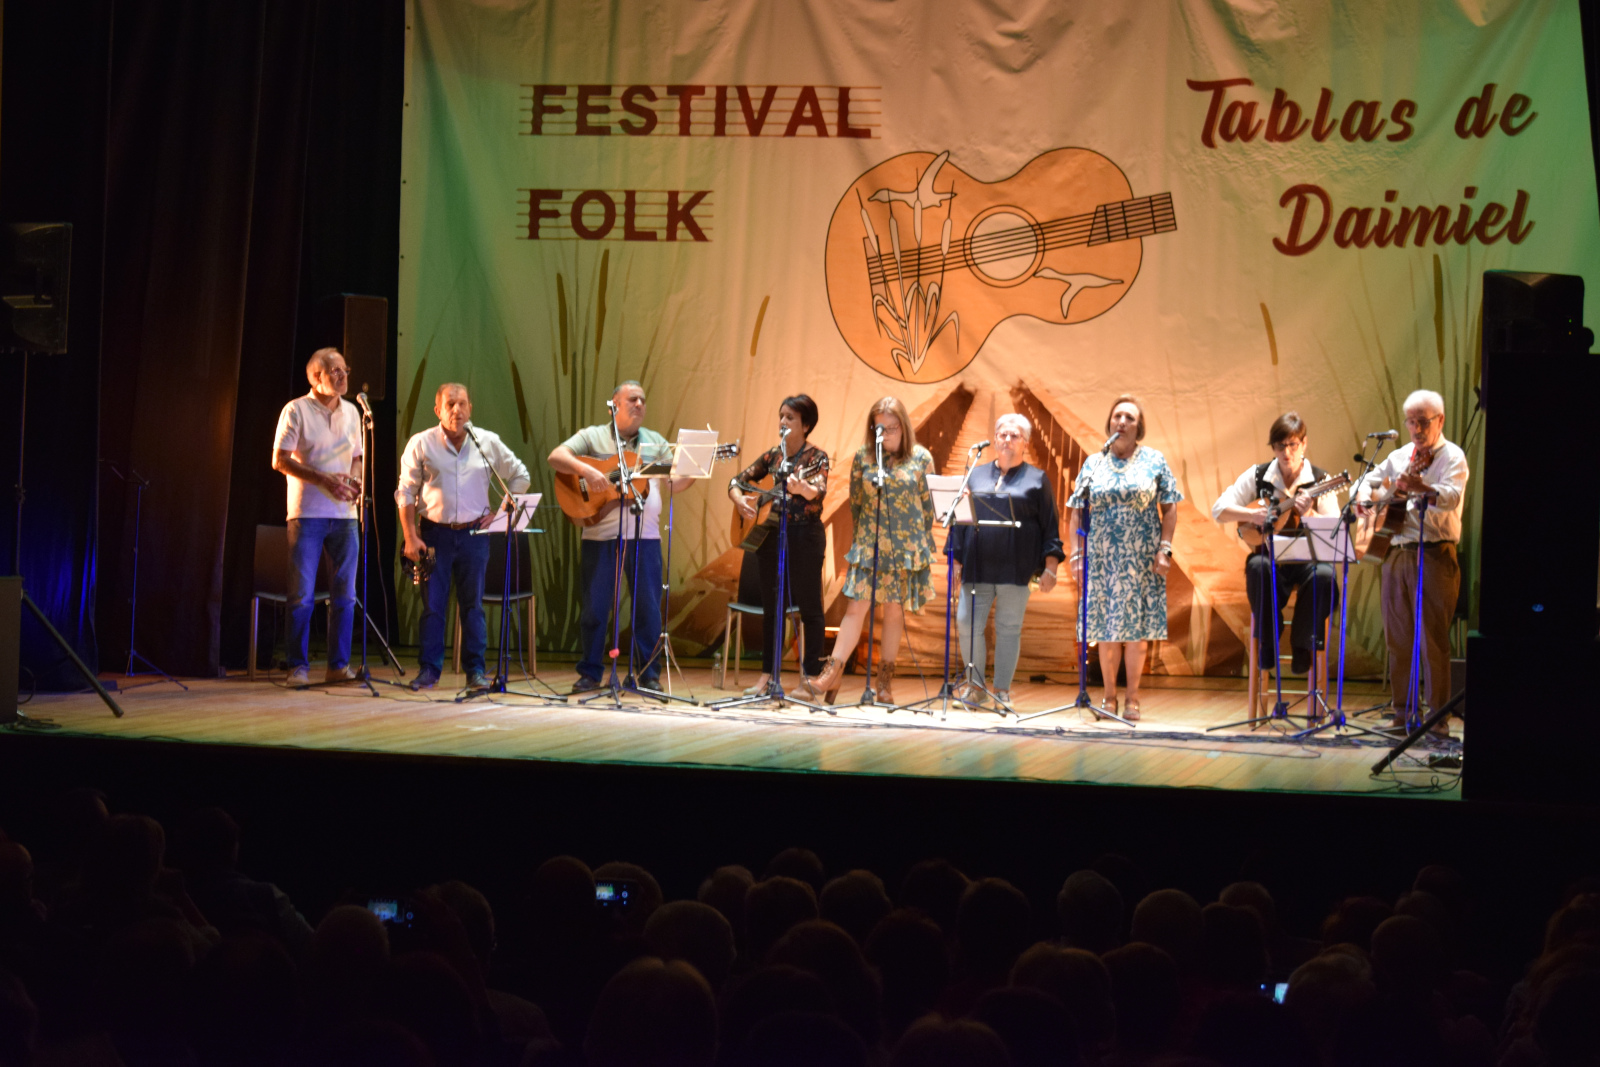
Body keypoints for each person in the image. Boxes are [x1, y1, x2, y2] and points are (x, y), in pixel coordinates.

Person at [548, 381, 696, 693]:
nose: (640, 404)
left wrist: (693, 469)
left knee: (648, 607)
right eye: (632, 399)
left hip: (646, 537)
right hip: (600, 535)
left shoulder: (654, 442)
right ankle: (590, 672)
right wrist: (587, 472)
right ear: (614, 404)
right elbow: (556, 457)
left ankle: (647, 674)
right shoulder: (593, 436)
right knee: (595, 608)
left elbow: (673, 484)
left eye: (643, 399)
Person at [396, 383, 531, 691]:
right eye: (450, 404)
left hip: (474, 535)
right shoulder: (421, 443)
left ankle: (476, 673)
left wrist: (502, 510)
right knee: (433, 606)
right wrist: (409, 536)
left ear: (471, 408)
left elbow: (521, 474)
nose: (456, 410)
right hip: (433, 535)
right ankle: (429, 671)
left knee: (472, 606)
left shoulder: (487, 442)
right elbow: (405, 491)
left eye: (462, 404)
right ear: (438, 410)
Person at [1355, 389, 1469, 733]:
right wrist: (1363, 498)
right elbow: (1366, 481)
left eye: (1424, 422)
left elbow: (1450, 497)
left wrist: (1422, 487)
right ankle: (1403, 714)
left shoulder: (1453, 457)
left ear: (1440, 421)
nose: (1417, 429)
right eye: (1411, 422)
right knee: (1398, 639)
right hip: (1396, 553)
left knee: (1433, 640)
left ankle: (1436, 720)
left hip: (1434, 555)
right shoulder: (1402, 455)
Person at [810, 397, 936, 705]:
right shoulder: (864, 457)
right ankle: (832, 672)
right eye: (880, 428)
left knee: (893, 611)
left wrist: (912, 541)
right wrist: (867, 535)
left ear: (904, 427)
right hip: (869, 542)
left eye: (892, 428)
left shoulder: (920, 458)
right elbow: (855, 501)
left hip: (904, 547)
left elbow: (929, 507)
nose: (887, 434)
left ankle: (884, 683)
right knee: (856, 608)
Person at [1064, 395, 1182, 721]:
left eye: (1129, 417)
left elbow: (1170, 507)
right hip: (1101, 558)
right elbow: (1075, 509)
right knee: (1106, 630)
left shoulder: (1154, 461)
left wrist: (1165, 548)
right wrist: (1076, 555)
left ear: (1138, 426)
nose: (1122, 422)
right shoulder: (1094, 462)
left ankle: (1132, 698)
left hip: (1141, 557)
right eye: (1117, 416)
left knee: (1135, 631)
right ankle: (1109, 698)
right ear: (1109, 423)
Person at [1210, 412, 1340, 677]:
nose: (1287, 452)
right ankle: (1268, 640)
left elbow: (1334, 531)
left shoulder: (1321, 480)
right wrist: (1251, 515)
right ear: (1273, 448)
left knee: (1325, 574)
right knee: (1257, 567)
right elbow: (1219, 509)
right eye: (1281, 446)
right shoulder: (1258, 476)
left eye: (1293, 445)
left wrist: (1309, 515)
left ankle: (1303, 644)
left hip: (1307, 563)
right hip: (1271, 561)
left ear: (1304, 444)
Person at [947, 413, 1064, 706]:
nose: (1007, 440)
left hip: (1016, 565)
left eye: (1014, 435)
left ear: (1025, 442)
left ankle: (1001, 691)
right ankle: (975, 688)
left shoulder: (1037, 480)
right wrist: (956, 559)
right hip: (977, 562)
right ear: (995, 440)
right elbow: (960, 520)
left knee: (1008, 628)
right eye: (1002, 434)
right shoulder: (975, 474)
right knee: (966, 623)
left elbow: (1050, 524)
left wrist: (1051, 565)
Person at [270, 347, 364, 687]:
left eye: (344, 370)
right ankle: (298, 666)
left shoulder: (354, 412)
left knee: (346, 595)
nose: (342, 376)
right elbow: (279, 460)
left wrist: (353, 479)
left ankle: (338, 666)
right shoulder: (296, 410)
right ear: (315, 377)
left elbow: (357, 457)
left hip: (346, 514)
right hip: (307, 513)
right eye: (334, 371)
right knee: (302, 595)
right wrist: (323, 478)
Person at [727, 395, 830, 696]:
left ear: (806, 425)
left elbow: (818, 492)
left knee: (810, 606)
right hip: (771, 535)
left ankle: (811, 676)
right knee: (773, 607)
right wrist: (741, 502)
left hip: (805, 536)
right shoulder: (773, 457)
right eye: (781, 416)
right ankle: (767, 676)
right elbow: (737, 480)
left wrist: (803, 488)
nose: (783, 422)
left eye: (791, 418)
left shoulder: (817, 459)